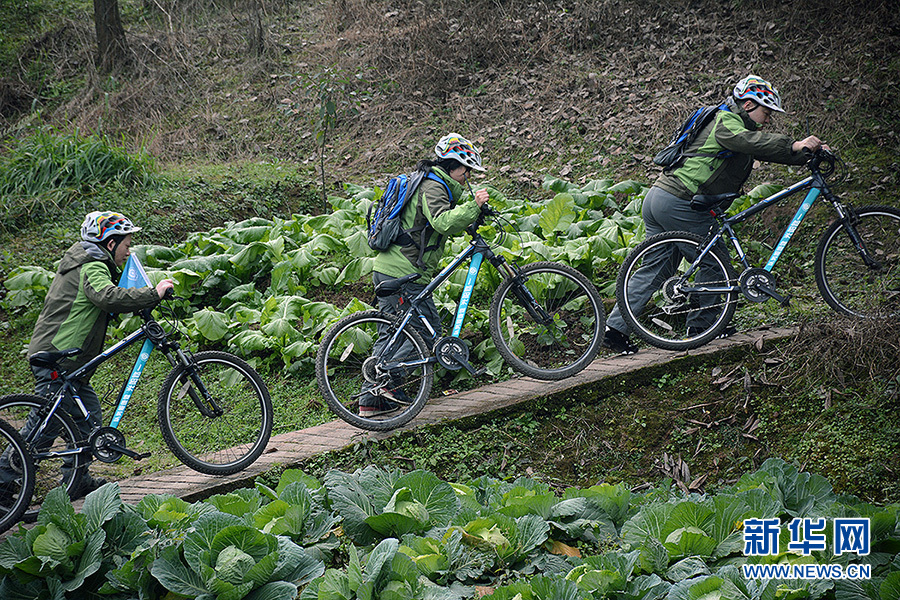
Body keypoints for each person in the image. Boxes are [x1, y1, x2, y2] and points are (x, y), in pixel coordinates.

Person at [601, 75, 825, 354]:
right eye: (766, 112)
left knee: (657, 267)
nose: (768, 119)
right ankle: (705, 327)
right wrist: (794, 144)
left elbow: (758, 146)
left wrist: (804, 154)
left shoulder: (730, 121)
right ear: (747, 104)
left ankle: (614, 330)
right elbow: (750, 141)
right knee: (713, 261)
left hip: (660, 198)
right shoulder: (726, 121)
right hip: (681, 201)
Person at [1, 211, 174, 501]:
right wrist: (152, 294)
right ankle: (3, 485)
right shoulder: (91, 264)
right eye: (126, 244)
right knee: (43, 428)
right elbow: (105, 296)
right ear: (110, 243)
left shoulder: (91, 262)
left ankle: (77, 480)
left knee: (89, 420)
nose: (128, 250)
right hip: (58, 355)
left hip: (72, 363)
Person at [361, 133, 490, 417]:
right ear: (455, 166)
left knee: (392, 333)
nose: (467, 177)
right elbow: (442, 221)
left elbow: (428, 224)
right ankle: (389, 384)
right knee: (425, 329)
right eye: (466, 171)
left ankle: (370, 401)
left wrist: (472, 218)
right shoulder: (434, 186)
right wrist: (473, 206)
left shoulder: (432, 183)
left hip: (389, 268)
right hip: (403, 272)